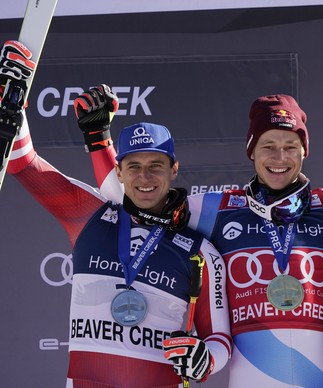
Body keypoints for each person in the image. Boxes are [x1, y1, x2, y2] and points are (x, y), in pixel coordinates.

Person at [77, 85, 323, 387]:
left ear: (304, 152)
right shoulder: (214, 208)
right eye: (268, 146)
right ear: (251, 152)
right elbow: (134, 197)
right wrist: (99, 140)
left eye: (291, 146)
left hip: (322, 374)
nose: (280, 156)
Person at [2, 41, 231, 387]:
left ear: (174, 170)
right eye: (134, 166)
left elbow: (220, 339)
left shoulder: (200, 253)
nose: (145, 177)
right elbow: (24, 163)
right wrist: (11, 101)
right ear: (119, 172)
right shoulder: (89, 215)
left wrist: (205, 360)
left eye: (156, 166)